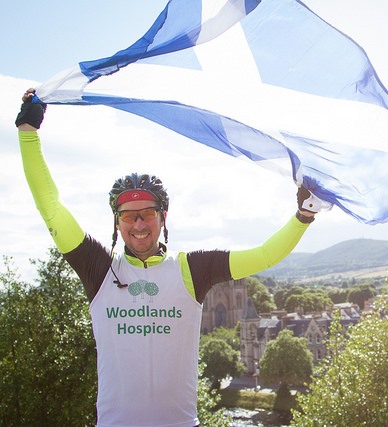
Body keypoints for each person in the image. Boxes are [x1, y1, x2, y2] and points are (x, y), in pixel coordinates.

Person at [16, 88, 321, 427]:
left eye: (148, 213)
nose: (139, 224)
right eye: (128, 215)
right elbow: (51, 208)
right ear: (117, 222)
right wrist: (28, 134)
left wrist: (303, 217)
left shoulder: (191, 269)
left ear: (163, 217)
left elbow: (264, 256)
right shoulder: (100, 269)